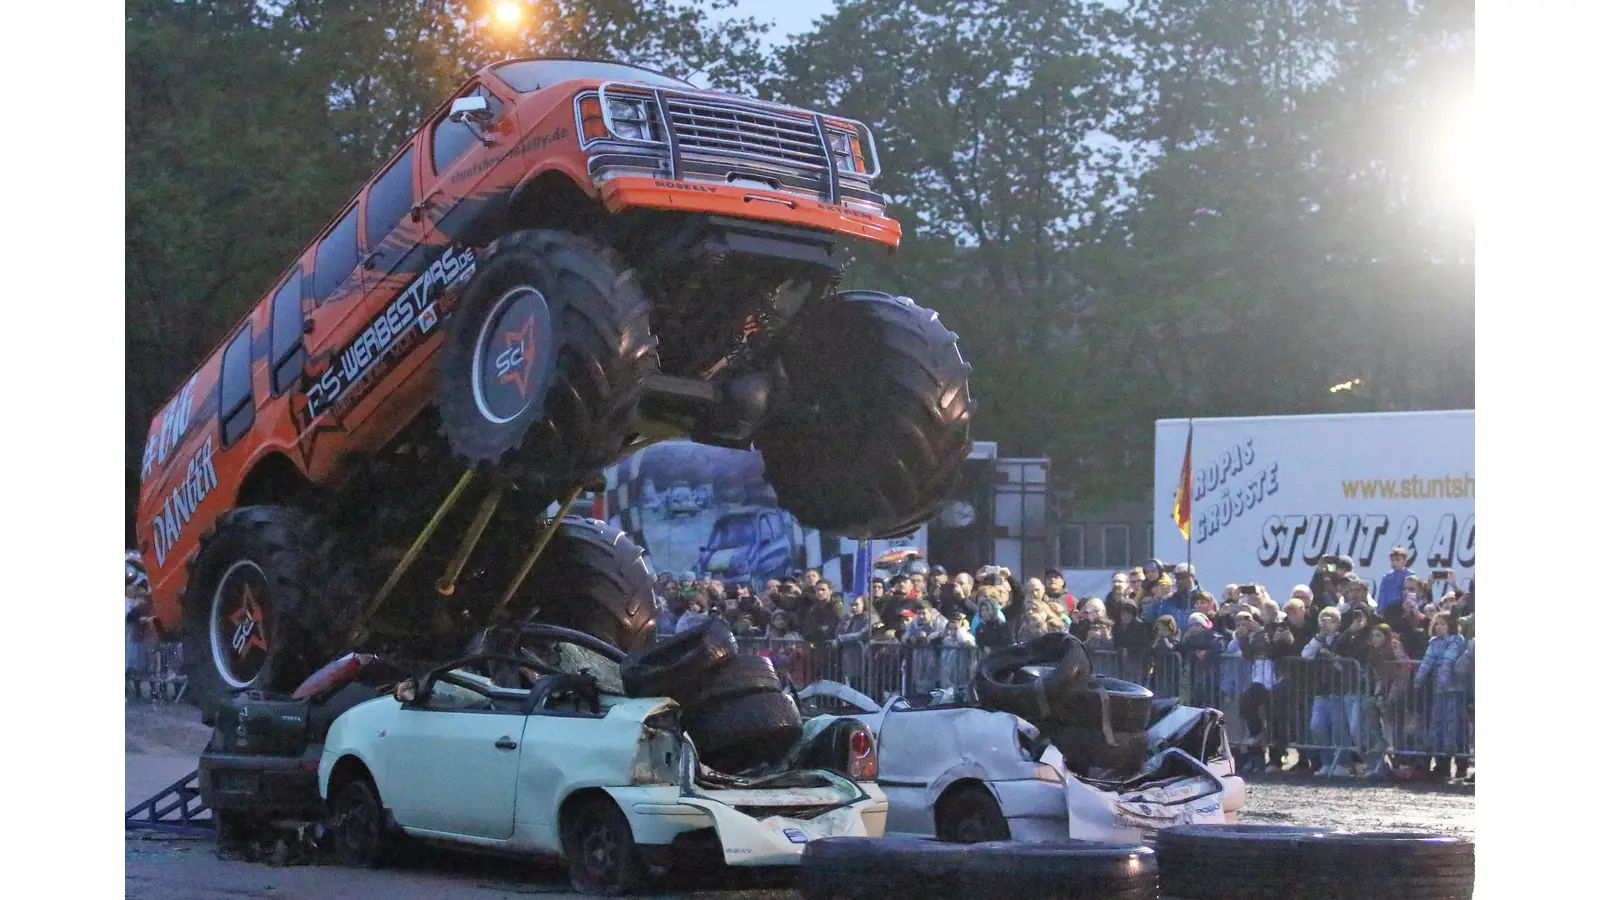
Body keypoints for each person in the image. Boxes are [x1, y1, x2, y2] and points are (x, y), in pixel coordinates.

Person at [1413, 612, 1469, 781]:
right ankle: (1442, 765)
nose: (1439, 627)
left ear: (1450, 625)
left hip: (1455, 690)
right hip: (1439, 690)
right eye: (1437, 624)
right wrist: (1418, 679)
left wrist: (1443, 681)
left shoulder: (1457, 641)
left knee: (1455, 725)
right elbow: (1427, 661)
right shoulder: (1434, 642)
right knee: (1438, 724)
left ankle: (1461, 764)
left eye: (1443, 624)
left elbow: (1448, 660)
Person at [1362, 623, 1411, 782]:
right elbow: (1379, 677)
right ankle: (1379, 745)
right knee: (1369, 706)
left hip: (1400, 692)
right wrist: (1379, 695)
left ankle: (1400, 763)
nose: (1375, 639)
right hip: (1384, 691)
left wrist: (1391, 696)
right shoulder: (1374, 652)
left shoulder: (1395, 647)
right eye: (1373, 636)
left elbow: (1404, 670)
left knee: (1397, 730)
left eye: (1378, 636)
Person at [832, 594, 874, 687]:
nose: (853, 607)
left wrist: (841, 639)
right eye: (851, 605)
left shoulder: (870, 618)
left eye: (856, 605)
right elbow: (838, 632)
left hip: (864, 657)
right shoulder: (850, 618)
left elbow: (862, 634)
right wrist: (846, 620)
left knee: (862, 685)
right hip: (849, 659)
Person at [1376, 547, 1415, 615]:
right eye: (1392, 560)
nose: (1394, 562)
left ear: (1405, 561)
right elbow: (1382, 595)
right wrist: (1380, 610)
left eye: (1397, 560)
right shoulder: (1386, 577)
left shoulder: (1410, 575)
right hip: (1388, 611)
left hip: (1403, 610)